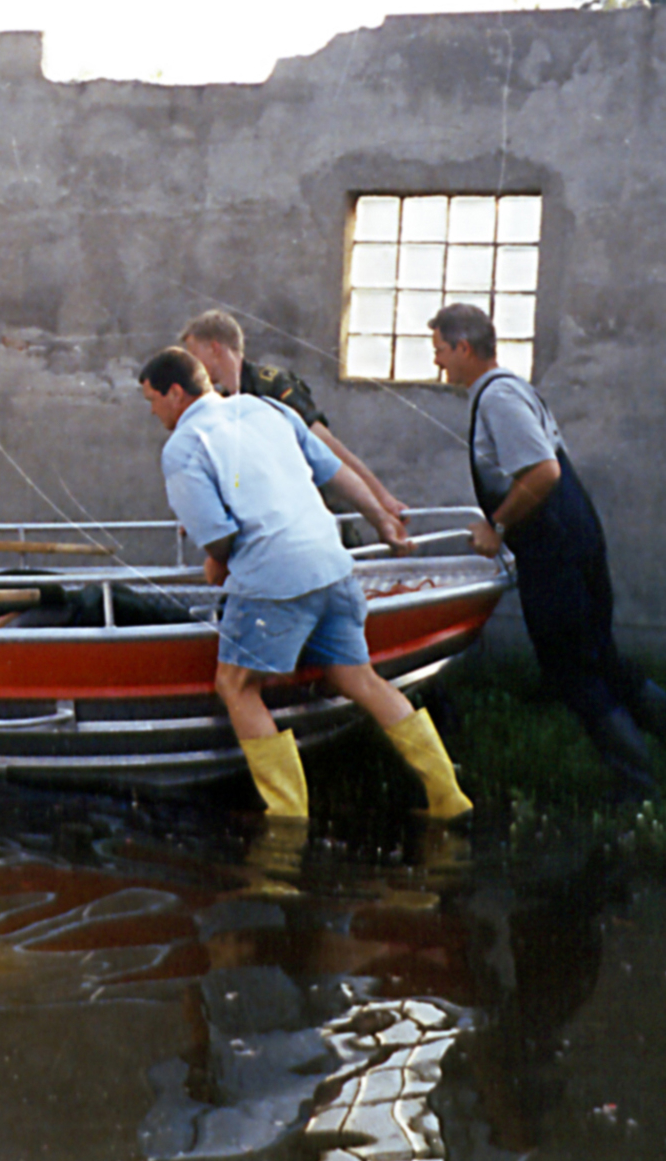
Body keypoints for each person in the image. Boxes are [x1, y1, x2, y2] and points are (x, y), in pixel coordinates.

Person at [138, 347, 471, 821]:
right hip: (332, 564)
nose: (153, 412)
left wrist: (217, 569)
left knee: (235, 685)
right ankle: (448, 796)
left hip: (273, 577)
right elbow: (334, 471)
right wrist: (381, 518)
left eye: (152, 400)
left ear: (175, 393)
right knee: (359, 678)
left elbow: (218, 538)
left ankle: (288, 818)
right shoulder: (268, 408)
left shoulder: (183, 447)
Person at [431, 303, 664, 800]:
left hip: (557, 552)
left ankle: (635, 791)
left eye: (441, 352)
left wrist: (496, 524)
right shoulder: (508, 389)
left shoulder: (498, 399)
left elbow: (543, 472)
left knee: (573, 671)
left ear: (464, 348)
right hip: (573, 539)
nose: (438, 364)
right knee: (602, 661)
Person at [180, 310, 410, 523]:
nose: (191, 366)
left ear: (214, 348)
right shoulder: (223, 404)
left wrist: (383, 500)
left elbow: (327, 445)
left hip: (311, 512)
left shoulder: (272, 385)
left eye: (193, 354)